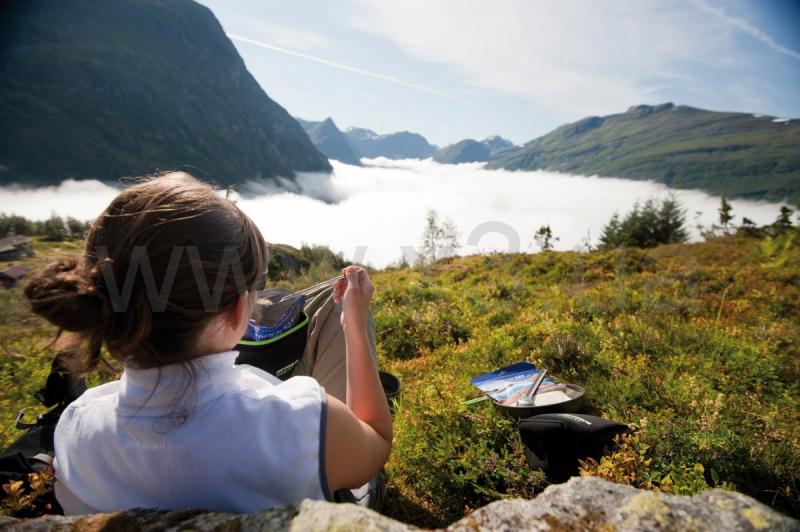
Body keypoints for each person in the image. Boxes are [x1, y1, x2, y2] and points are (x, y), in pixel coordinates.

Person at [23, 172, 392, 514]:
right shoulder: (298, 422)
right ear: (239, 311)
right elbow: (376, 439)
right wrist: (353, 325)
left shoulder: (76, 428)